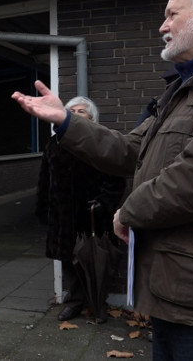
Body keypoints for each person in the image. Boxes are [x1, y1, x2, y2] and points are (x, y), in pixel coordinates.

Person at [12, 0, 193, 360]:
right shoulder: (185, 88)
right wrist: (66, 122)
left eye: (172, 14)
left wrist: (129, 211)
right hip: (179, 289)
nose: (163, 26)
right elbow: (129, 150)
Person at [35, 97, 125, 323]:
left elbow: (116, 178)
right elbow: (44, 179)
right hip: (63, 215)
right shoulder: (54, 144)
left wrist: (104, 202)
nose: (76, 113)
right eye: (71, 110)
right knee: (69, 261)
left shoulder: (100, 141)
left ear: (91, 117)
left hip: (92, 216)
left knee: (96, 261)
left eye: (81, 111)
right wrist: (44, 208)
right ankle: (75, 302)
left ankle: (98, 303)